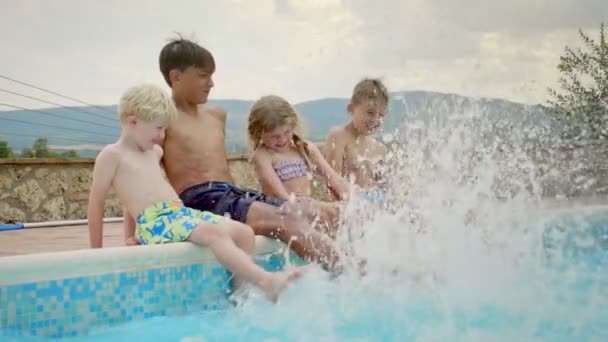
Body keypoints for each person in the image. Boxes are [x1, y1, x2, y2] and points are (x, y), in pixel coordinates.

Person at [123, 37, 343, 271]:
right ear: (176, 77)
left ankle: (354, 269)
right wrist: (135, 230)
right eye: (203, 75)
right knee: (285, 220)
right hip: (200, 200)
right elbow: (140, 173)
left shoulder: (216, 115)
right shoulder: (164, 121)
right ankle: (345, 273)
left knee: (316, 211)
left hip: (231, 194)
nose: (211, 83)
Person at [88, 84, 303, 301]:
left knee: (244, 233)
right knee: (214, 233)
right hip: (156, 221)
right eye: (158, 128)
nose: (162, 136)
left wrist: (128, 234)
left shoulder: (153, 152)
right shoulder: (112, 156)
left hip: (180, 213)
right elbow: (96, 203)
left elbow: (132, 195)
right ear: (133, 122)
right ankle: (266, 281)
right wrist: (96, 252)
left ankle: (240, 299)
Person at [247, 94, 350, 236]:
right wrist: (307, 208)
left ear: (293, 126)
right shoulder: (263, 156)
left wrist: (352, 200)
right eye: (275, 136)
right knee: (323, 210)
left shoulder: (304, 148)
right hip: (283, 212)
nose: (282, 139)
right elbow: (279, 194)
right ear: (258, 134)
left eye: (287, 132)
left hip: (308, 209)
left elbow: (333, 178)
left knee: (348, 212)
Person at [324, 78, 390, 204]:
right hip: (350, 206)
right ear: (351, 108)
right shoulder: (338, 136)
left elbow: (385, 188)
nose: (376, 120)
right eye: (370, 113)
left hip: (376, 208)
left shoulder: (379, 148)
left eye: (381, 115)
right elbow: (332, 182)